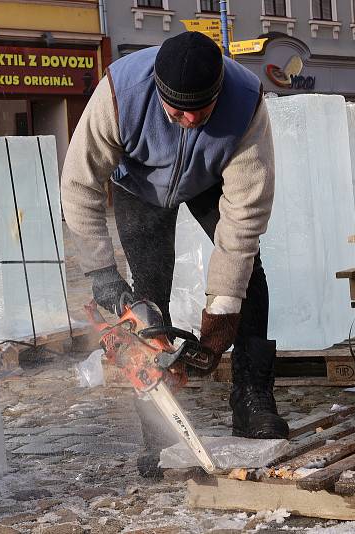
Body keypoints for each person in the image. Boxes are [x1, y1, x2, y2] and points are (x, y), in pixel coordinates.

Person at [61, 32, 288, 477]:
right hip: (138, 185)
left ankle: (252, 396)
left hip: (209, 179)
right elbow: (79, 184)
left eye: (198, 111)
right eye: (175, 110)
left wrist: (222, 310)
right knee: (148, 295)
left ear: (218, 93)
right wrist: (101, 270)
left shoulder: (245, 105)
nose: (186, 119)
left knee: (250, 279)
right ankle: (158, 423)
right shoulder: (118, 94)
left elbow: (242, 221)